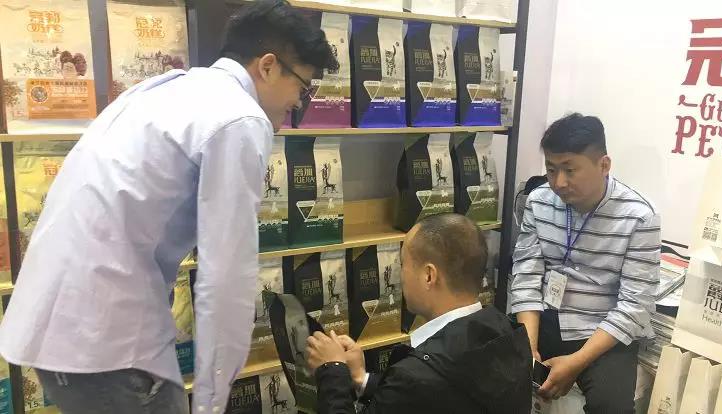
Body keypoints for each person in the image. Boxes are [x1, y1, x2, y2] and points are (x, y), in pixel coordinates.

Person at [0, 1, 337, 413]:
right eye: (302, 86)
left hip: (52, 325)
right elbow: (226, 276)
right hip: (107, 344)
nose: (299, 103)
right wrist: (211, 404)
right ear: (267, 66)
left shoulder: (164, 89)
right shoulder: (239, 118)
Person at [306, 213, 533, 414]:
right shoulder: (507, 333)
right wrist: (361, 379)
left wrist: (332, 371)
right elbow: (436, 400)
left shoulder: (417, 376)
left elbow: (419, 389)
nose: (400, 276)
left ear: (428, 276)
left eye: (403, 264)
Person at [510, 113, 660, 413]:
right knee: (496, 378)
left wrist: (576, 363)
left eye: (570, 170)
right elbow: (526, 277)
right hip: (545, 318)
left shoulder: (639, 216)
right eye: (551, 169)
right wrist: (528, 348)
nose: (559, 182)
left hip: (602, 329)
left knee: (611, 406)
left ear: (604, 165)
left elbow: (634, 305)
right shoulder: (539, 201)